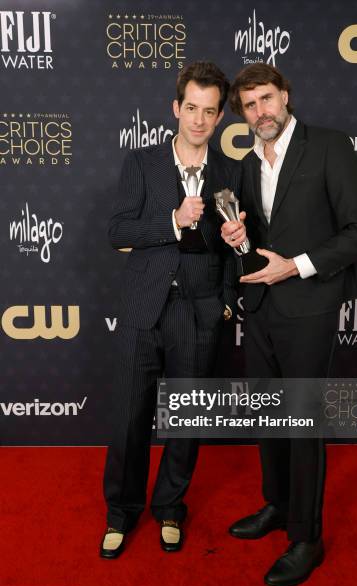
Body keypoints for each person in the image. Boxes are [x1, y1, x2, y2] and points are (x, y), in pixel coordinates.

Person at [221, 62, 357, 586]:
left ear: (284, 95)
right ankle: (278, 506)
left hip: (311, 307)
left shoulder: (330, 146)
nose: (260, 112)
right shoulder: (245, 164)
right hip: (262, 309)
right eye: (249, 105)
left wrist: (297, 265)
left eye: (266, 98)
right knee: (269, 416)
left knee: (302, 423)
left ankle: (306, 536)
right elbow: (253, 240)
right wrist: (237, 237)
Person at [100, 61, 240, 558]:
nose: (199, 120)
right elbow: (118, 232)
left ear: (220, 117)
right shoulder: (141, 163)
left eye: (209, 112)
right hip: (143, 308)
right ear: (175, 108)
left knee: (188, 420)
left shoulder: (230, 172)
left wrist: (226, 302)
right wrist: (172, 220)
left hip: (198, 312)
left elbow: (233, 248)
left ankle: (170, 507)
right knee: (130, 417)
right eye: (191, 109)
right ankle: (121, 512)